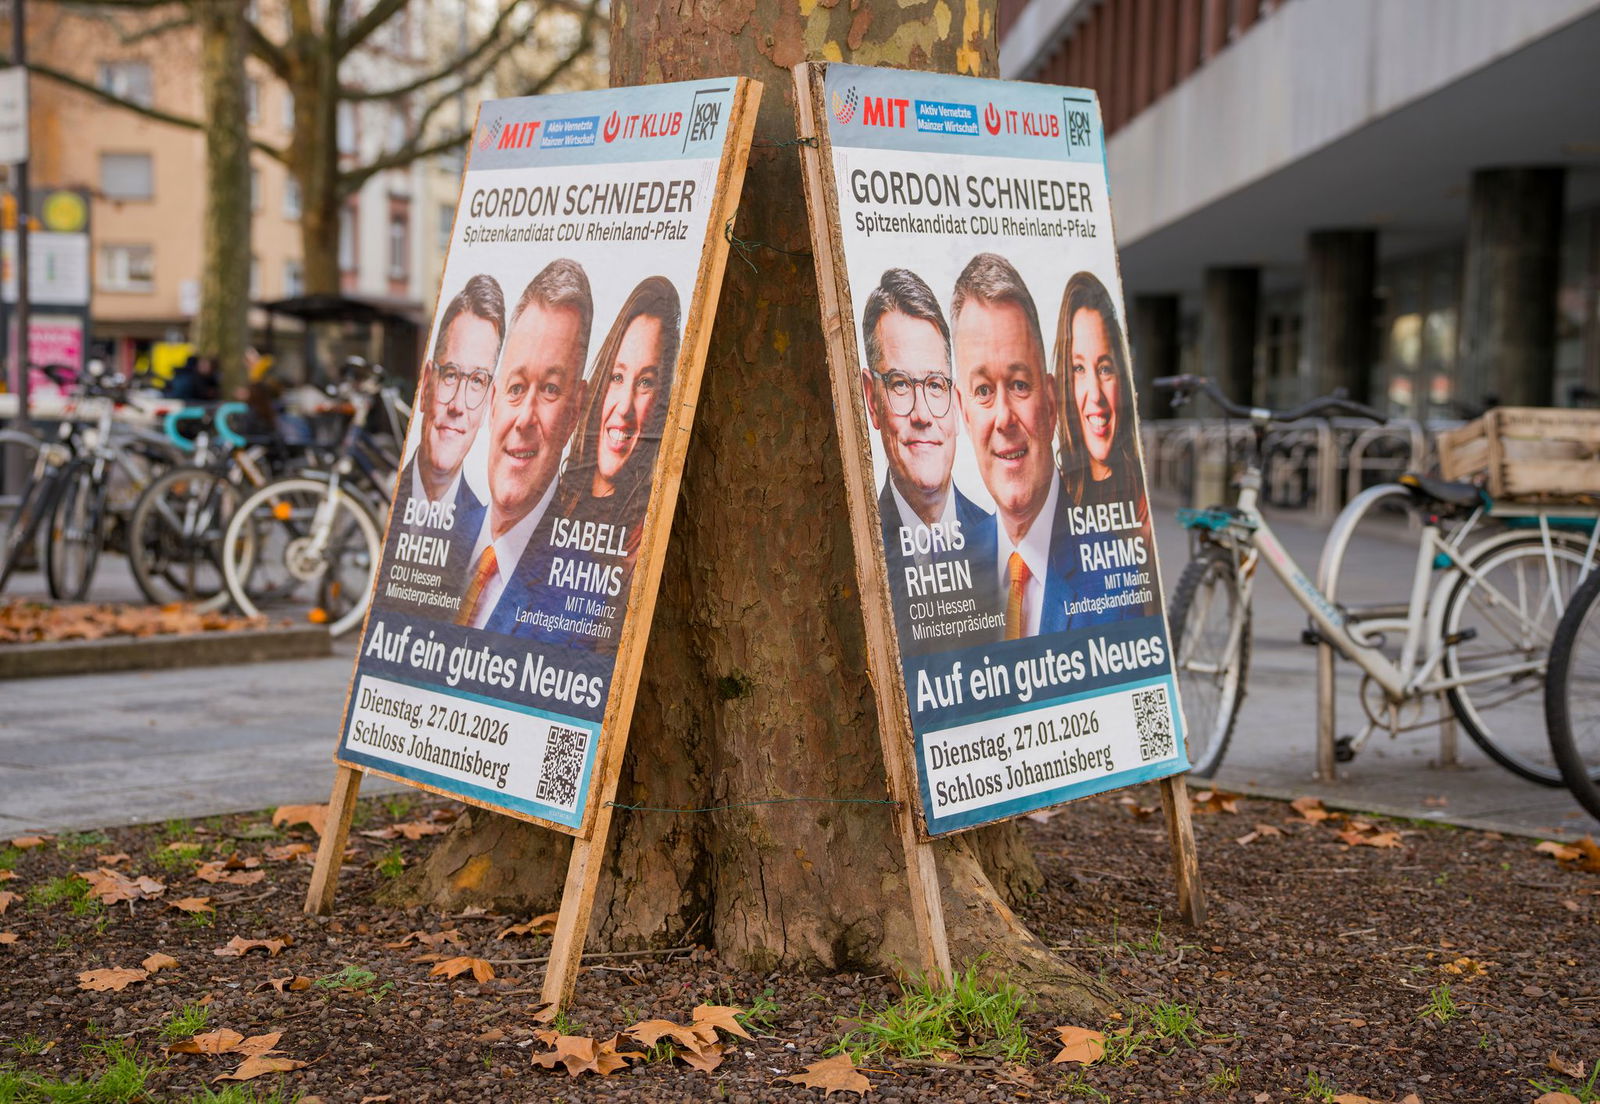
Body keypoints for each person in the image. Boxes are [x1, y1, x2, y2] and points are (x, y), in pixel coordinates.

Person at [487, 276, 681, 644]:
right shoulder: (543, 505)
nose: (623, 408)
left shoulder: (644, 542)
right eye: (618, 377)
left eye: (646, 383)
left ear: (663, 400)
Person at [859, 267, 998, 653]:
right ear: (872, 399)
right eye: (901, 384)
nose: (922, 413)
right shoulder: (858, 549)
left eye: (935, 385)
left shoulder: (1002, 545)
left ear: (955, 401)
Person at [456, 259, 593, 630]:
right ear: (493, 399)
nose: (525, 418)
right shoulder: (441, 535)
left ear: (576, 410)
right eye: (516, 389)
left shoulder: (581, 595)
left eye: (550, 389)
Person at [950, 252, 1074, 640]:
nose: (1003, 418)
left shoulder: (1119, 570)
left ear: (1051, 403)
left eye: (1020, 384)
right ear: (964, 414)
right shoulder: (947, 574)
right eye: (983, 390)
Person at [373, 274, 506, 620]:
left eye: (476, 381)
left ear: (491, 401)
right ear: (426, 383)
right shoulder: (383, 503)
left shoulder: (486, 539)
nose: (458, 405)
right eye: (450, 375)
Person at [1053, 270, 1157, 627]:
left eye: (1106, 368)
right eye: (1079, 369)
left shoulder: (1140, 506)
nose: (1094, 396)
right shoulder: (1052, 495)